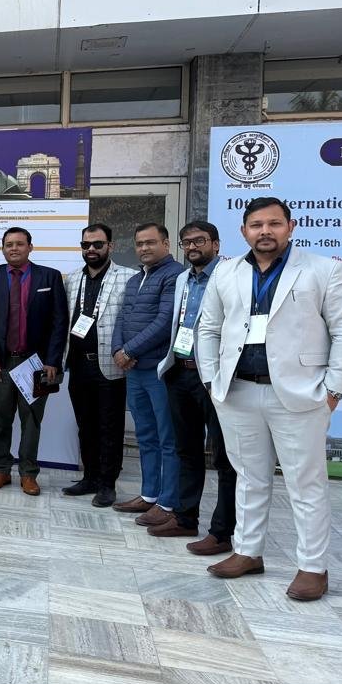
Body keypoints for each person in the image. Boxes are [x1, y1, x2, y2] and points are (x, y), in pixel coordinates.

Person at [197, 197, 342, 601]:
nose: (265, 231)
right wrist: (212, 381)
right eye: (256, 225)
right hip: (238, 391)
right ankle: (247, 552)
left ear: (290, 227)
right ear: (244, 231)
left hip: (300, 395)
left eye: (274, 223)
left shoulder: (324, 270)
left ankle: (313, 567)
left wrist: (334, 390)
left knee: (306, 483)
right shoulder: (226, 273)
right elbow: (208, 329)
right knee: (249, 477)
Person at [153, 221, 234, 551]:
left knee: (224, 457)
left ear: (216, 244)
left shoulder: (230, 276)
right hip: (181, 372)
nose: (192, 247)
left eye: (199, 241)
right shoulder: (183, 279)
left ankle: (222, 532)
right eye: (186, 243)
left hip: (213, 377)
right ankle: (185, 518)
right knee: (187, 450)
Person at [0, 227, 67, 495]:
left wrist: (52, 360)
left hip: (36, 364)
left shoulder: (49, 276)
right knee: (0, 418)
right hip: (1, 364)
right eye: (8, 244)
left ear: (30, 247)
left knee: (31, 420)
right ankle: (1, 470)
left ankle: (28, 473)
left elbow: (59, 322)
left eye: (19, 244)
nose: (14, 248)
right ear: (3, 249)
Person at [111, 223, 185, 524]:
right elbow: (122, 317)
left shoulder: (175, 275)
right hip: (134, 371)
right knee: (145, 435)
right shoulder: (134, 279)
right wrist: (117, 349)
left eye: (150, 242)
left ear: (166, 244)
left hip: (159, 370)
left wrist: (129, 351)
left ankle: (167, 502)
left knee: (168, 438)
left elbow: (165, 321)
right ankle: (149, 495)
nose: (144, 248)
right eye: (139, 243)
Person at [61, 224, 135, 507]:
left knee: (109, 427)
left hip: (110, 365)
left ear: (110, 246)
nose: (91, 249)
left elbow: (132, 319)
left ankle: (107, 484)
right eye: (86, 245)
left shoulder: (128, 277)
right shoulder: (72, 279)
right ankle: (90, 477)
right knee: (85, 425)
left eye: (97, 244)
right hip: (79, 364)